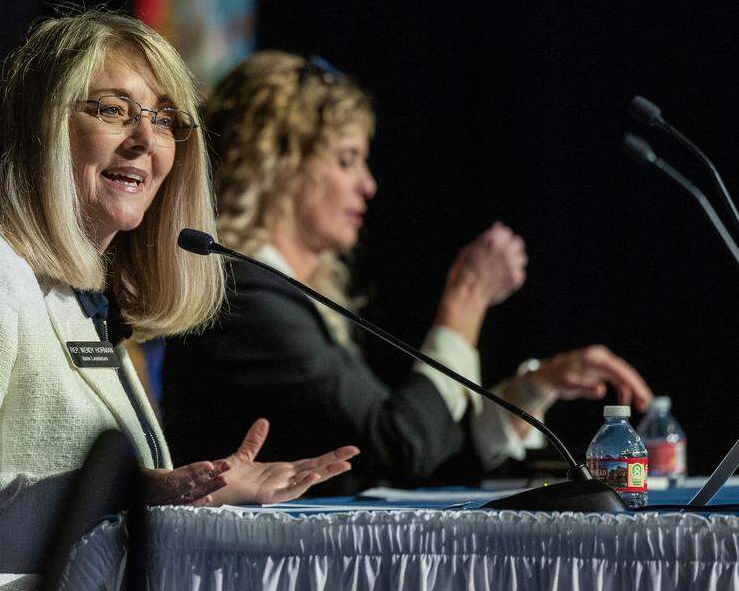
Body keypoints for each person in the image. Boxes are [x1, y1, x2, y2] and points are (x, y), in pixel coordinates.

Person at [0, 12, 358, 589]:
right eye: (113, 110)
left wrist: (195, 496)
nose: (145, 140)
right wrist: (111, 500)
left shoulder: (67, 289)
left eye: (164, 120)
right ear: (41, 125)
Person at [162, 51, 652, 493]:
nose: (368, 185)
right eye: (346, 160)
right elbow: (399, 448)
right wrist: (466, 300)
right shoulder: (244, 295)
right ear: (279, 166)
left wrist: (530, 391)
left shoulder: (284, 293)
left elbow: (422, 451)